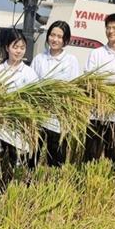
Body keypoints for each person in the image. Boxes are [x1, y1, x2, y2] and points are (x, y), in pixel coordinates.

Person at [84, 13, 115, 168]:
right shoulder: (96, 53)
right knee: (91, 156)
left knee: (114, 158)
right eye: (108, 28)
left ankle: (111, 189)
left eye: (114, 28)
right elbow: (89, 79)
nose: (110, 31)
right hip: (96, 113)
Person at [31, 21, 80, 166]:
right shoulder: (39, 59)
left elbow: (74, 89)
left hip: (59, 119)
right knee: (33, 156)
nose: (55, 39)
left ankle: (53, 185)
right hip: (39, 117)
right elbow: (32, 86)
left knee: (56, 160)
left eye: (59, 36)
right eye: (52, 35)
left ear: (65, 40)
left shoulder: (71, 61)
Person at [0, 30, 38, 177]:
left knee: (16, 171)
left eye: (22, 47)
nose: (19, 51)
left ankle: (13, 197)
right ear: (7, 48)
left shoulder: (30, 74)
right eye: (15, 47)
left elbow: (35, 102)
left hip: (20, 129)